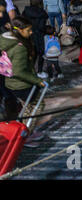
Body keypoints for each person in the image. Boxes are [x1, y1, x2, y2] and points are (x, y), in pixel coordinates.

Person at [0, 16, 47, 147]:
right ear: (20, 30)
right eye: (28, 30)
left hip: (10, 82)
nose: (31, 32)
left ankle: (24, 129)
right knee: (36, 106)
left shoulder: (5, 40)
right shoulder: (19, 47)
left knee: (27, 107)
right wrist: (37, 80)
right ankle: (26, 134)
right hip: (21, 84)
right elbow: (19, 71)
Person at [22, 0, 49, 79]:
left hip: (29, 35)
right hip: (39, 36)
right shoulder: (42, 13)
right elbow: (41, 27)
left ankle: (30, 70)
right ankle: (39, 71)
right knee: (40, 54)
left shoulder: (26, 11)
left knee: (31, 54)